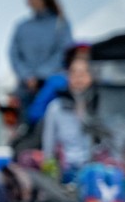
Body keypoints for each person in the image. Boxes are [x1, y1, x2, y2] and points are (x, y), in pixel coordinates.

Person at [41, 50, 119, 181]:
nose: (78, 78)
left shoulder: (103, 104)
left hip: (100, 169)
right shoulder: (56, 107)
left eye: (83, 73)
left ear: (92, 75)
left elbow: (114, 141)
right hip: (68, 171)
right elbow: (48, 147)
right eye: (73, 73)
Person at [8, 0, 73, 122]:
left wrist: (40, 76)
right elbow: (14, 54)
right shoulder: (22, 26)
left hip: (50, 88)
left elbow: (64, 52)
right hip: (25, 89)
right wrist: (27, 76)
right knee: (26, 129)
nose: (28, 1)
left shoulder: (60, 24)